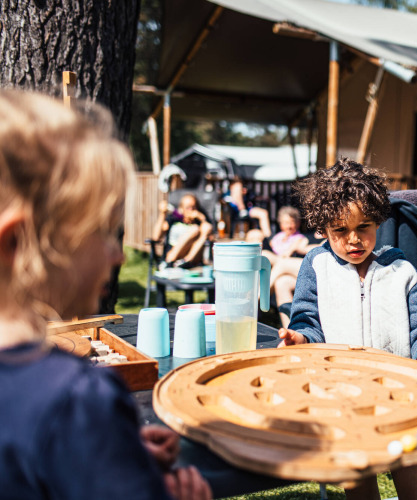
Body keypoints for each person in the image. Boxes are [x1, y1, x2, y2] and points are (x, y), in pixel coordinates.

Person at [0, 89, 211, 500]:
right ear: (17, 241)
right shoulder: (78, 400)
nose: (117, 255)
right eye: (102, 231)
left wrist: (108, 452)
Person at [277, 158, 417, 500]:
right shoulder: (317, 265)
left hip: (400, 395)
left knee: (412, 459)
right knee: (357, 474)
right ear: (322, 228)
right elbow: (308, 321)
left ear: (379, 221)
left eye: (364, 227)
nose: (354, 240)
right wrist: (299, 337)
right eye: (340, 230)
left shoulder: (402, 271)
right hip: (341, 397)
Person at [262, 206, 320, 327]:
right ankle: (290, 329)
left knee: (282, 263)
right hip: (298, 273)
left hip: (314, 271)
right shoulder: (308, 235)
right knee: (281, 282)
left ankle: (259, 296)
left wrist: (301, 248)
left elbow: (305, 248)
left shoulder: (331, 236)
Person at [153, 193, 213, 268]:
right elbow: (156, 237)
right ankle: (169, 262)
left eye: (193, 207)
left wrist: (202, 218)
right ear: (181, 209)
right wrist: (162, 214)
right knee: (194, 229)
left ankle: (186, 261)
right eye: (188, 207)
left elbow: (210, 234)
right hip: (172, 256)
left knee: (205, 228)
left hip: (192, 260)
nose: (191, 210)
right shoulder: (174, 219)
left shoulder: (199, 222)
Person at [223, 179, 271, 243]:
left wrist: (245, 194)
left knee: (263, 213)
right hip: (236, 211)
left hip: (247, 209)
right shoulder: (228, 194)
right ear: (231, 186)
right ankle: (242, 210)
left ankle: (267, 237)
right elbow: (225, 200)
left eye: (241, 187)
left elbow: (252, 198)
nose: (241, 189)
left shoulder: (245, 193)